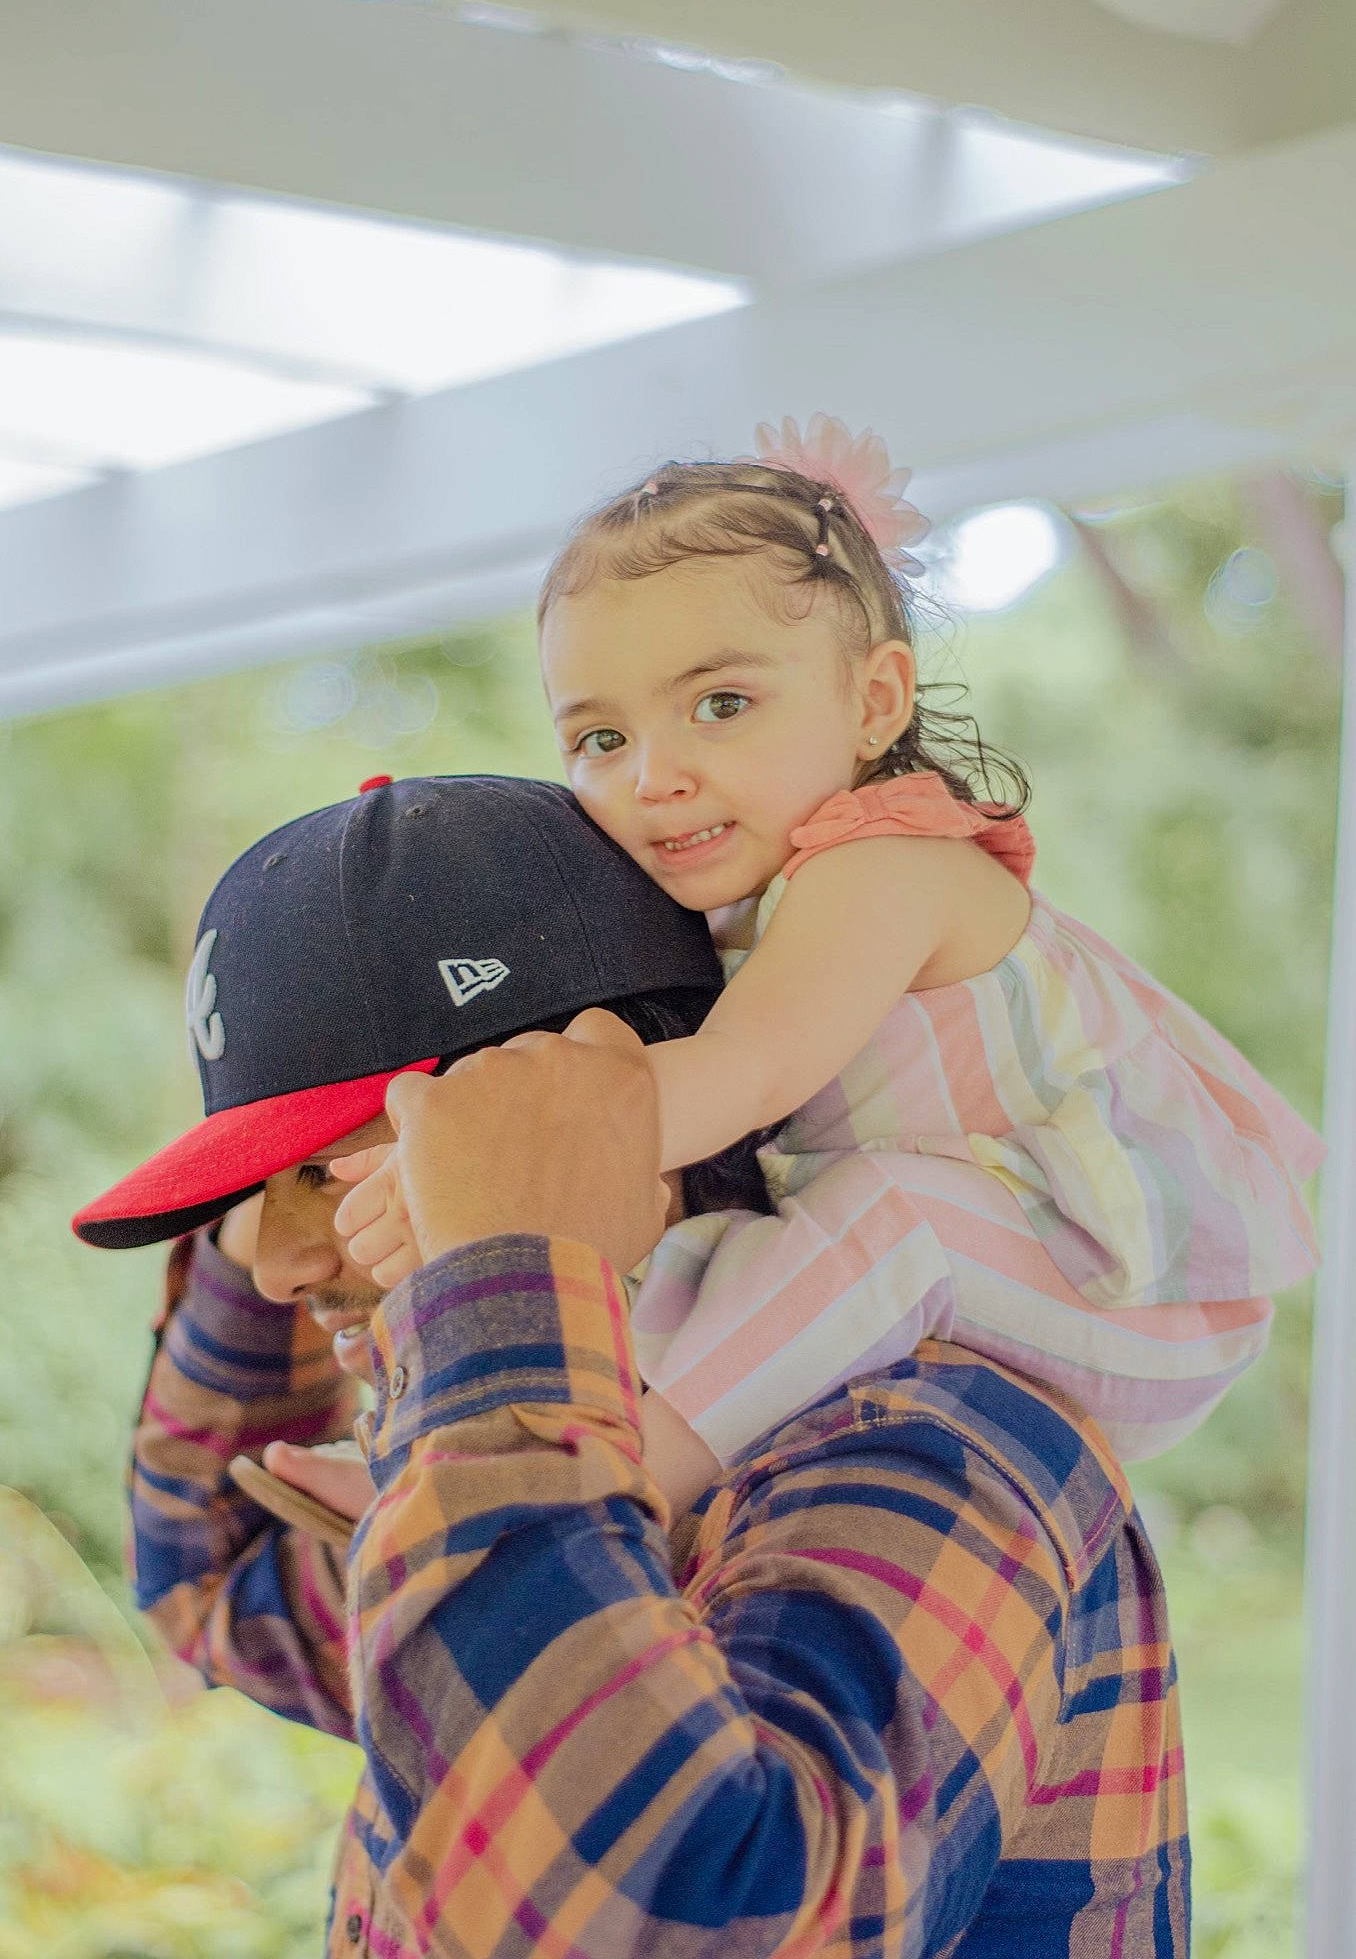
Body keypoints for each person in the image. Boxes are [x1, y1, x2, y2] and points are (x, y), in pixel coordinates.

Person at [77, 773, 1189, 1954]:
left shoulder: (937, 1448)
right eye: (259, 1188)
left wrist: (510, 1274)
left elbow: (660, 1918)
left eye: (321, 1175)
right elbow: (215, 1575)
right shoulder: (537, 1445)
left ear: (609, 1101)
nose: (277, 1270)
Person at [335, 413, 1323, 1476]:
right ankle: (443, 1455)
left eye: (721, 702)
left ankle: (613, 1481)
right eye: (601, 738)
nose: (652, 774)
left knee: (886, 1212)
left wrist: (495, 1152)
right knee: (693, 1254)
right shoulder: (724, 911)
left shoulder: (884, 864)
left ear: (873, 701)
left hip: (1132, 1296)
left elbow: (743, 1069)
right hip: (962, 1273)